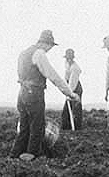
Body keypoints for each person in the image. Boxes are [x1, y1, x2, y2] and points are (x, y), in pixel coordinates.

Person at [10, 30, 79, 159]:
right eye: (50, 47)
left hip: (22, 93)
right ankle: (32, 155)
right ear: (47, 44)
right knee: (37, 125)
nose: (49, 50)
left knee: (24, 126)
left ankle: (14, 154)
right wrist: (69, 93)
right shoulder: (39, 54)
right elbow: (53, 76)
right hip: (34, 93)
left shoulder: (23, 53)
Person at [61, 48, 84, 130]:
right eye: (67, 58)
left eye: (70, 58)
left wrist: (69, 93)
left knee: (76, 109)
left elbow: (73, 82)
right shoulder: (66, 64)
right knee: (67, 109)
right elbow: (66, 77)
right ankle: (66, 127)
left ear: (72, 58)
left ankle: (77, 128)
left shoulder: (75, 68)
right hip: (69, 86)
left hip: (76, 88)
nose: (68, 60)